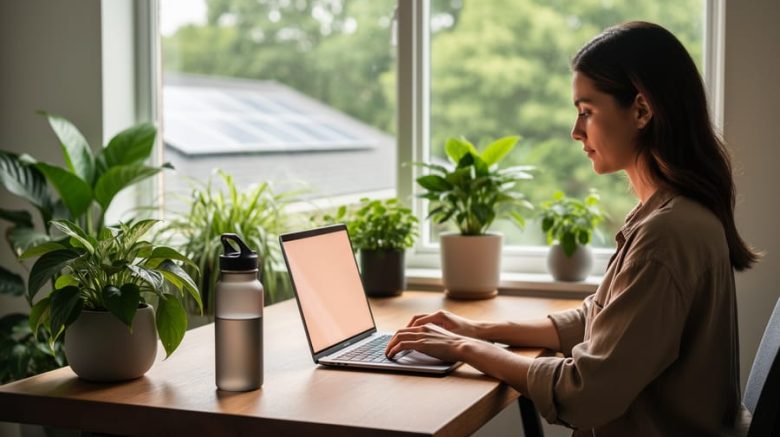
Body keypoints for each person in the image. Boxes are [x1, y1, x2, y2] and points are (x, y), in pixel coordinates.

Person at [386, 21, 759, 436]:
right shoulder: (666, 215)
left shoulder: (667, 235)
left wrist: (463, 348)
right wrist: (478, 329)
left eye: (586, 111)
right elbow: (597, 320)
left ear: (641, 109)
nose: (575, 131)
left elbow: (584, 392)